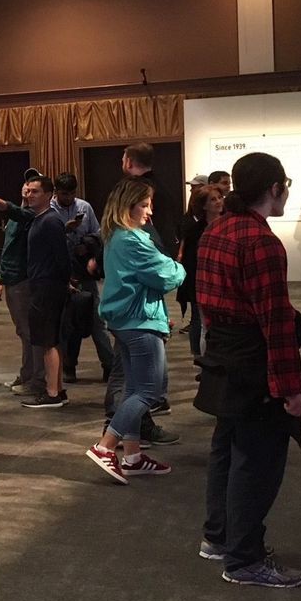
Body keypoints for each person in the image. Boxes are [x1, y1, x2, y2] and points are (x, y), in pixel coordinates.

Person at [195, 152, 301, 588]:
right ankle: (243, 560)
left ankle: (219, 539)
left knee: (227, 450)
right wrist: (290, 390)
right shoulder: (261, 242)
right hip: (253, 361)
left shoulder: (217, 230)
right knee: (257, 461)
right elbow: (276, 323)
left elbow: (206, 303)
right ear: (275, 188)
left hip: (224, 356)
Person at [86, 178, 186, 483]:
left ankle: (132, 456)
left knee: (133, 388)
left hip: (128, 321)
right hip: (140, 321)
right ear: (127, 205)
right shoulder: (133, 240)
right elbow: (168, 275)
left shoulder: (117, 237)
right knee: (149, 390)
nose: (149, 211)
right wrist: (179, 266)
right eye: (144, 204)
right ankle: (106, 447)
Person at [0, 179, 40, 396]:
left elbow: (20, 214)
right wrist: (0, 278)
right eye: (26, 185)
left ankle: (34, 378)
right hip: (12, 279)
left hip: (24, 281)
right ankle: (27, 374)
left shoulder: (33, 215)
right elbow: (8, 249)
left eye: (34, 189)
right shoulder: (18, 216)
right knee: (23, 331)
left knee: (28, 332)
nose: (28, 190)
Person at [50, 173, 109, 384]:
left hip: (84, 273)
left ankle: (108, 365)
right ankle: (68, 366)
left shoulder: (84, 207)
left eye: (72, 193)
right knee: (67, 323)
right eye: (64, 194)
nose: (69, 198)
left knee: (96, 319)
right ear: (56, 192)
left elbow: (98, 233)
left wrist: (89, 246)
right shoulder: (49, 210)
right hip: (60, 275)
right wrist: (64, 230)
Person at [19, 174, 71, 409]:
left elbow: (62, 257)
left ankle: (52, 393)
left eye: (35, 191)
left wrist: (63, 282)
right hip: (43, 285)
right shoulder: (39, 219)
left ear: (49, 195)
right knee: (50, 340)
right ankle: (57, 389)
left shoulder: (50, 221)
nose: (29, 195)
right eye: (28, 191)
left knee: (48, 341)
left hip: (48, 288)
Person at [179, 184, 225, 360]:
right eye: (213, 199)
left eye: (219, 197)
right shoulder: (195, 231)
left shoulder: (229, 224)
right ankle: (204, 362)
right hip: (203, 282)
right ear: (204, 205)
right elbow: (191, 262)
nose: (218, 202)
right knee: (204, 325)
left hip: (224, 282)